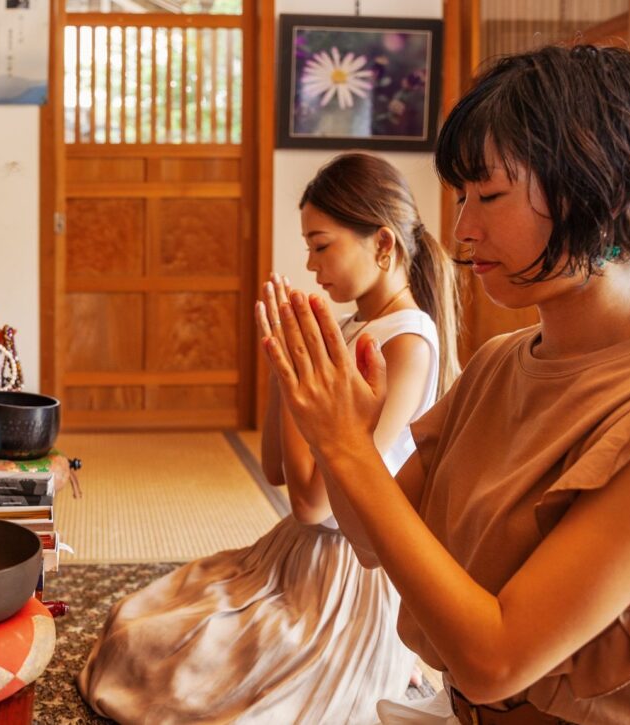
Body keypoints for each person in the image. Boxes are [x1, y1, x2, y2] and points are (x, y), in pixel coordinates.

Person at [258, 44, 630, 725]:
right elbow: (372, 539)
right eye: (462, 197)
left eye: (489, 195)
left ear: (598, 191)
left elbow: (495, 659)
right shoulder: (499, 363)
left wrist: (348, 448)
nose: (463, 230)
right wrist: (330, 428)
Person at [77, 152, 460, 724]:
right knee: (137, 625)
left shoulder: (408, 339)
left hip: (344, 579)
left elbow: (316, 506)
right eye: (308, 246)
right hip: (296, 558)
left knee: (176, 671)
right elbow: (278, 469)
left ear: (383, 243)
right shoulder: (351, 324)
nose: (310, 264)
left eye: (321, 244)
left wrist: (300, 366)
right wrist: (286, 369)